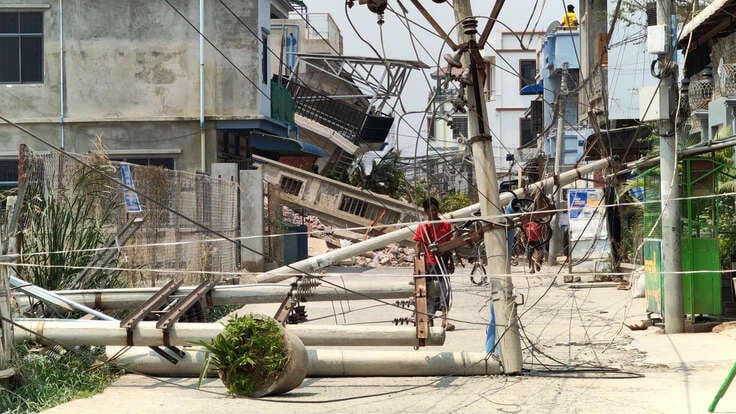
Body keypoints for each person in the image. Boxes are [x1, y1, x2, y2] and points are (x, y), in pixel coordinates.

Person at [414, 197, 455, 331]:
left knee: (445, 290)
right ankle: (429, 319)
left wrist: (451, 262)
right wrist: (418, 265)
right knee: (430, 291)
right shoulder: (423, 227)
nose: (434, 213)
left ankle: (444, 320)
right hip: (428, 264)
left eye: (435, 210)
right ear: (426, 212)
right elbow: (418, 246)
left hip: (442, 262)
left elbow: (450, 245)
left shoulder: (446, 225)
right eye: (431, 211)